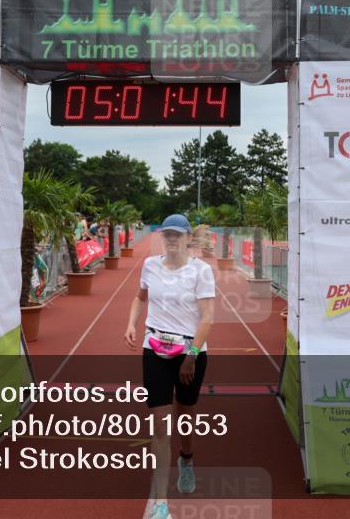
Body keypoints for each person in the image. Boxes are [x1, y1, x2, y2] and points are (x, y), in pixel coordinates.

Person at [125, 213, 215, 519]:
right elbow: (139, 298)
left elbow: (207, 318)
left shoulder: (201, 271)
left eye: (178, 234)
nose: (172, 239)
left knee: (185, 415)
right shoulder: (150, 266)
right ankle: (160, 502)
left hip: (190, 351)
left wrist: (190, 355)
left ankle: (186, 459)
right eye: (168, 234)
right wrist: (132, 324)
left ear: (188, 237)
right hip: (155, 350)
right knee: (160, 426)